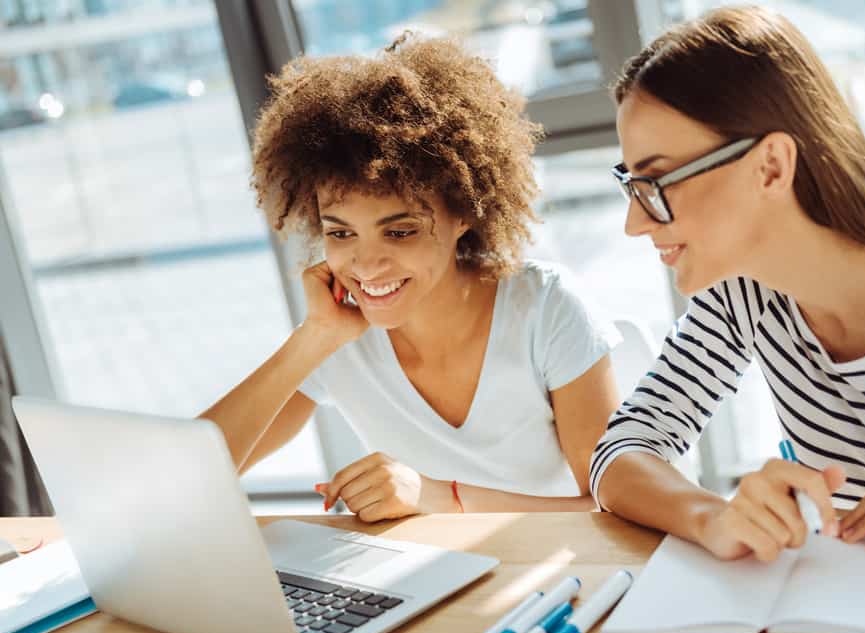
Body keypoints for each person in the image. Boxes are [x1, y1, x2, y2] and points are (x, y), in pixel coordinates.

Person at [591, 6, 865, 561]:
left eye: (657, 181)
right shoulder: (743, 294)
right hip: (860, 622)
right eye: (632, 185)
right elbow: (619, 454)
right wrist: (714, 516)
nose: (635, 222)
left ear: (771, 167)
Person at [201, 34, 621, 521]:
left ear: (463, 213)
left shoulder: (546, 308)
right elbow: (187, 482)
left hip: (565, 578)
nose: (367, 265)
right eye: (341, 233)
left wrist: (439, 498)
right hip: (434, 580)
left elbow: (612, 511)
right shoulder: (337, 336)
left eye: (399, 232)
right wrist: (313, 339)